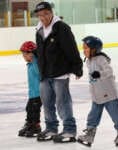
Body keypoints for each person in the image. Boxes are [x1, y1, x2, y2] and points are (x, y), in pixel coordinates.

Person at [34, 2, 83, 142]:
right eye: (40, 15)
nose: (43, 18)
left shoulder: (61, 28)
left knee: (63, 102)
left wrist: (77, 67)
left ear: (51, 12)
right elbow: (41, 51)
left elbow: (71, 48)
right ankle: (51, 128)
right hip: (44, 74)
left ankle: (69, 130)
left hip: (60, 73)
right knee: (47, 103)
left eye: (45, 14)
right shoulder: (39, 30)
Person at [77, 36, 118, 147]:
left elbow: (109, 71)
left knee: (115, 115)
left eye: (86, 48)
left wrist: (99, 74)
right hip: (97, 96)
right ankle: (90, 134)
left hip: (109, 95)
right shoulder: (89, 61)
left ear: (94, 49)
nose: (84, 50)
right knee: (93, 116)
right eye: (83, 48)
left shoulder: (101, 59)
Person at [18, 41, 42, 137]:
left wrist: (34, 60)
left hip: (38, 93)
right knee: (29, 108)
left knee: (35, 110)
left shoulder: (36, 63)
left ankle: (36, 126)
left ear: (32, 53)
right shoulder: (30, 64)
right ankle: (29, 123)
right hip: (32, 93)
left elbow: (40, 74)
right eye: (23, 54)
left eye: (25, 54)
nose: (23, 56)